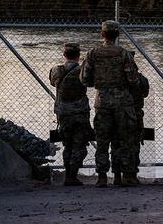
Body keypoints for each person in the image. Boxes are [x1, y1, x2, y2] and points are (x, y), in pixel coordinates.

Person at [80, 21, 140, 187]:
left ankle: (102, 177)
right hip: (122, 101)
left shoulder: (92, 54)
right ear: (117, 35)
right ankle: (122, 176)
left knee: (103, 139)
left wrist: (99, 84)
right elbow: (133, 79)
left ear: (102, 34)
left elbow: (84, 79)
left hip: (102, 100)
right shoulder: (124, 54)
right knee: (123, 139)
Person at [48, 42, 92, 186]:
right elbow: (90, 82)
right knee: (80, 145)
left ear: (64, 55)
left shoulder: (56, 70)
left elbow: (52, 82)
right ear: (78, 56)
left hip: (63, 114)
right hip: (80, 113)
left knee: (68, 145)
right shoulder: (83, 71)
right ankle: (72, 175)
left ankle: (68, 175)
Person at [125, 53, 150, 185]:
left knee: (118, 143)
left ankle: (118, 175)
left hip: (119, 113)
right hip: (135, 114)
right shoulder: (141, 79)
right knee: (134, 144)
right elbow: (145, 94)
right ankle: (132, 175)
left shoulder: (117, 79)